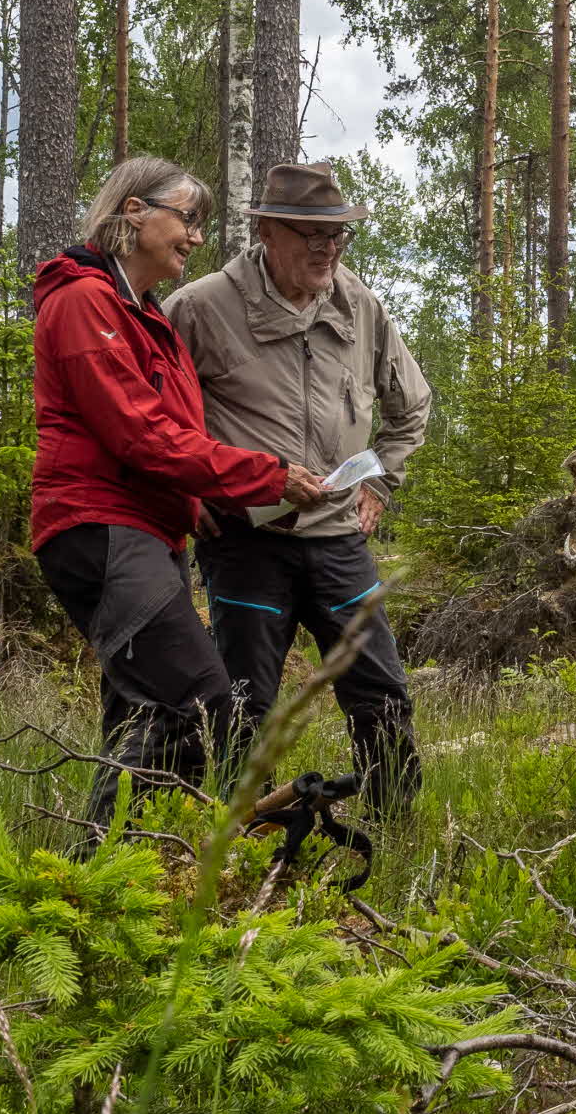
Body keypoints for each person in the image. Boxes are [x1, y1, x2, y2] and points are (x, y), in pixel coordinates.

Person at [31, 155, 327, 826]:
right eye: (188, 219)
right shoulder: (84, 303)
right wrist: (267, 475)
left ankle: (110, 875)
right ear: (133, 213)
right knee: (205, 702)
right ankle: (252, 847)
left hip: (144, 530)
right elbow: (139, 433)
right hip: (99, 528)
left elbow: (163, 428)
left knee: (145, 709)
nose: (196, 237)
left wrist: (192, 503)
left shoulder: (142, 313)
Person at [167, 161, 432, 817]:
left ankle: (397, 827)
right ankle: (231, 838)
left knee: (381, 689)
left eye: (337, 236)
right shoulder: (199, 307)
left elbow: (412, 406)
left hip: (341, 540)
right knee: (244, 701)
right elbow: (155, 416)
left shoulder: (358, 303)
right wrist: (187, 496)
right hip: (246, 541)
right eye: (310, 235)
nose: (327, 250)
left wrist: (380, 484)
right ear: (264, 231)